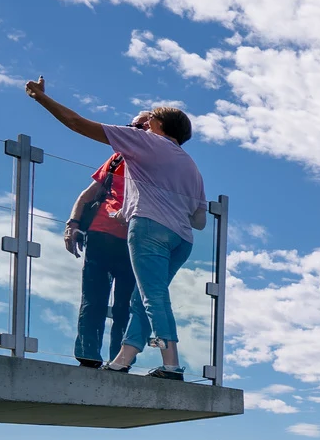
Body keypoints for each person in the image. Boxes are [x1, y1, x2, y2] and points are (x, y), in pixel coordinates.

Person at [25, 79, 207, 379]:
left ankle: (172, 364)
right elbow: (198, 220)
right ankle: (123, 359)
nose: (141, 128)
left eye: (147, 123)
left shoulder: (147, 142)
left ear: (159, 125)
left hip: (149, 232)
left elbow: (76, 123)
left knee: (153, 298)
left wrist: (39, 97)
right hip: (181, 242)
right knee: (141, 298)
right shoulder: (191, 166)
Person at [64, 111, 150, 368]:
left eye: (144, 128)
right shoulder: (116, 159)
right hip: (101, 234)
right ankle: (88, 357)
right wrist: (73, 224)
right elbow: (87, 195)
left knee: (128, 305)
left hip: (134, 241)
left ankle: (118, 362)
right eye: (133, 127)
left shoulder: (157, 164)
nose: (136, 132)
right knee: (93, 299)